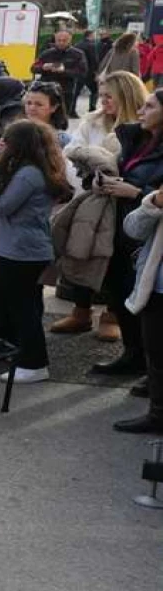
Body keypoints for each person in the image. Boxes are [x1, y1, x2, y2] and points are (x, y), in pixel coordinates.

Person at [0, 120, 74, 384]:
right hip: (18, 247)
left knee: (23, 306)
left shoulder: (28, 174)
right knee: (1, 294)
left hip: (24, 250)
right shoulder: (28, 169)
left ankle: (34, 362)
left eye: (6, 141)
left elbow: (2, 207)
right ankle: (10, 344)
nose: (1, 145)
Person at [86, 90, 163, 388]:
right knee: (121, 294)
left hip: (149, 237)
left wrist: (137, 194)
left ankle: (153, 373)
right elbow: (119, 169)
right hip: (120, 227)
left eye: (149, 106)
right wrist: (101, 180)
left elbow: (153, 194)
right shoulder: (138, 139)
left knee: (149, 306)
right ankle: (134, 355)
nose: (141, 111)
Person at [115, 183, 163, 433]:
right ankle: (157, 415)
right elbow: (132, 229)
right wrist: (154, 202)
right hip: (155, 287)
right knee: (155, 353)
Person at [31, 30, 87, 120]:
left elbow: (82, 72)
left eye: (64, 40)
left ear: (70, 40)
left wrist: (64, 71)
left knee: (61, 120)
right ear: (55, 40)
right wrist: (43, 67)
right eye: (58, 40)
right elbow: (33, 68)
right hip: (46, 90)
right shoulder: (47, 53)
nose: (61, 43)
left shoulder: (78, 54)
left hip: (65, 91)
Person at [23, 82, 71, 147]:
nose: (32, 108)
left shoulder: (62, 140)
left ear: (54, 107)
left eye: (39, 104)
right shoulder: (16, 133)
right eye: (29, 103)